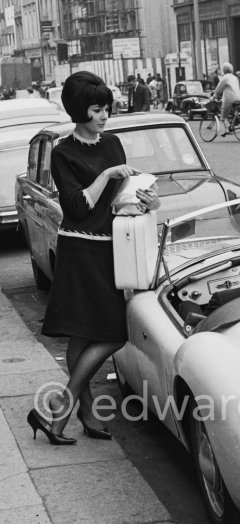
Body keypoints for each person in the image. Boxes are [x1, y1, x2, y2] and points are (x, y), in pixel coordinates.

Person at [26, 71, 161, 445]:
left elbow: (121, 199)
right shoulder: (64, 151)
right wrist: (105, 174)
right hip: (81, 249)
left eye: (107, 109)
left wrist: (150, 201)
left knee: (93, 337)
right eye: (97, 109)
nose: (104, 116)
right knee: (107, 333)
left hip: (111, 248)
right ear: (79, 109)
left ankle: (64, 412)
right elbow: (78, 207)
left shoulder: (113, 143)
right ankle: (67, 407)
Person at [213, 62, 240, 137]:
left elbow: (219, 87)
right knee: (232, 112)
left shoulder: (225, 78)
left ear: (224, 70)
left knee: (223, 116)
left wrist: (215, 95)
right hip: (238, 97)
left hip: (229, 98)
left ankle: (228, 129)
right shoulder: (234, 77)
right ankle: (234, 121)